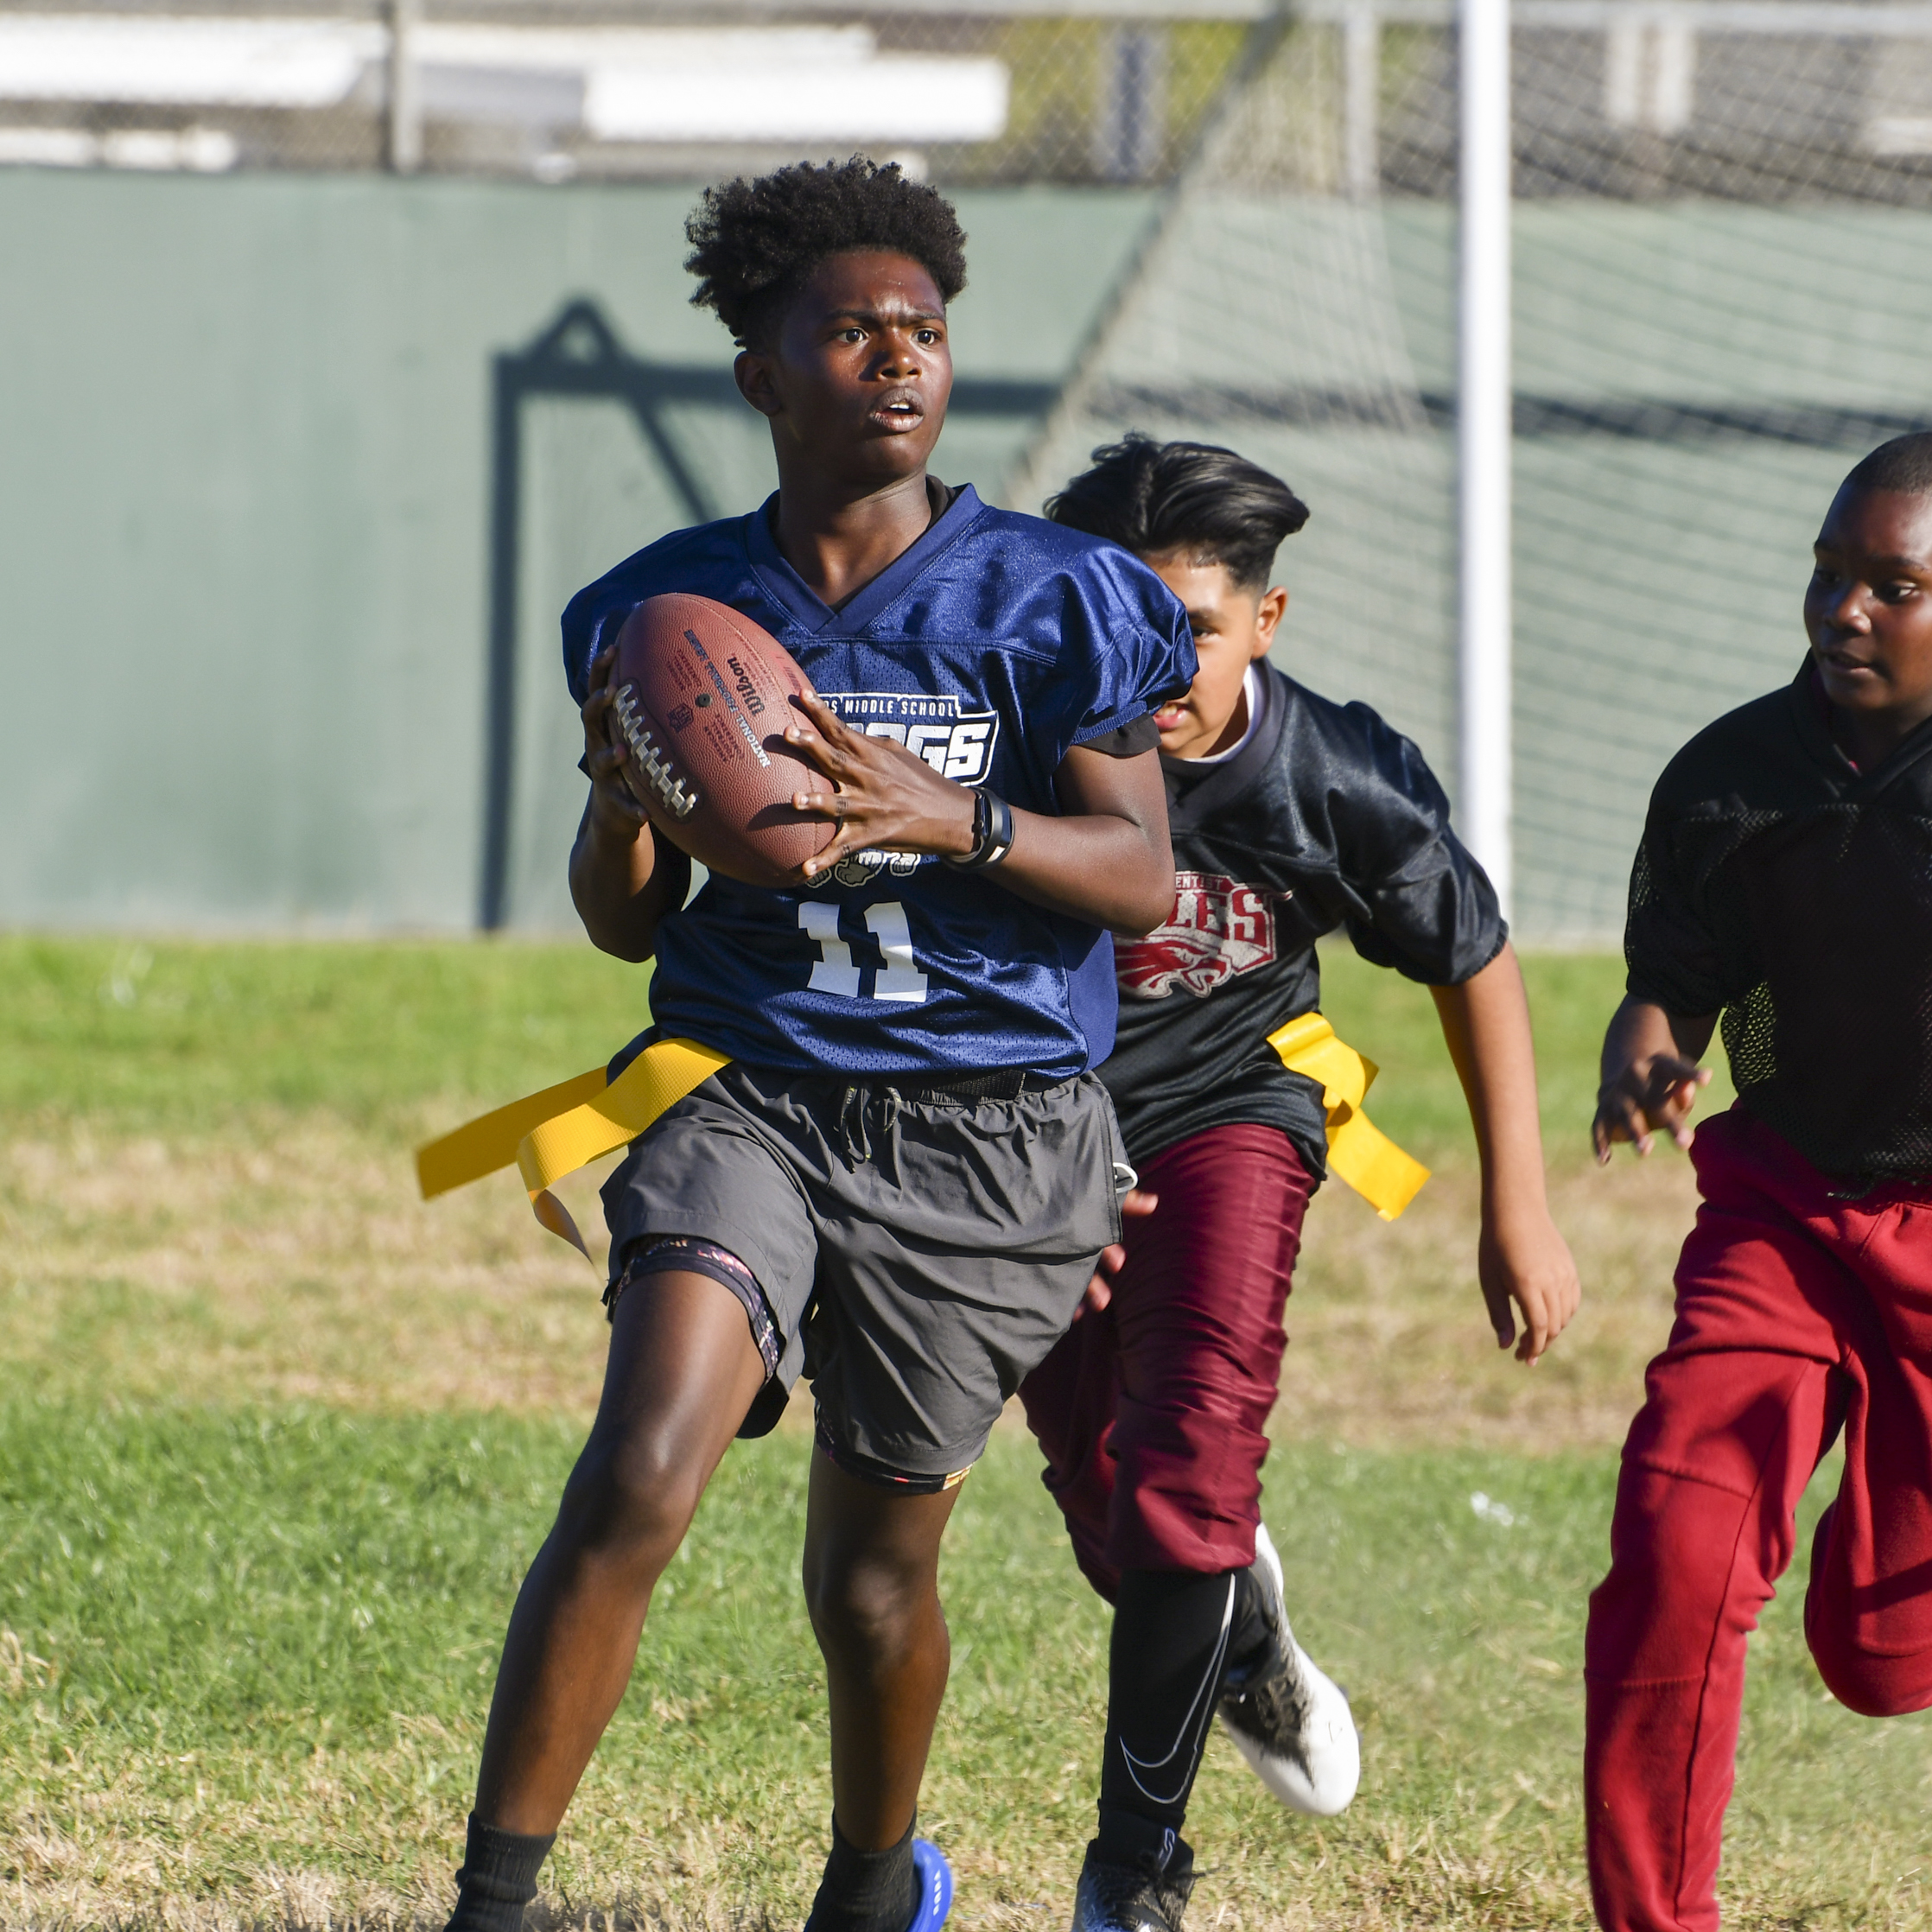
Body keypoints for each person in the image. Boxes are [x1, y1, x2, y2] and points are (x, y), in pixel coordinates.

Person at [438, 161, 1194, 1932]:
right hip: (750, 1093)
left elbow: (1140, 877)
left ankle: (869, 1878)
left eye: (920, 329)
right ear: (762, 374)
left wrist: (956, 818)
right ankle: (491, 1900)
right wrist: (623, 806)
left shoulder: (1056, 597)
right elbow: (627, 919)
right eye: (847, 330)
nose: (895, 359)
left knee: (868, 1578)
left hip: (987, 1126)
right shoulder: (661, 608)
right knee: (638, 1463)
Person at [1017, 435, 1582, 1932]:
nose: (1148, 662)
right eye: (1114, 621)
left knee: (1192, 1465)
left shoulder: (1326, 771)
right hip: (1035, 1143)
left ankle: (1134, 1872)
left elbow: (1475, 954)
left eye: (1189, 628)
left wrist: (1511, 1200)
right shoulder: (1010, 739)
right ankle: (1245, 1633)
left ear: (1265, 623)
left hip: (1234, 1110)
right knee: (1117, 1511)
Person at [1584, 433, 1932, 1932]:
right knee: (1676, 1546)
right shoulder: (1727, 776)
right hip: (1781, 1215)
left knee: (1880, 1655)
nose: (1843, 610)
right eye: (1829, 573)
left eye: (1893, 585)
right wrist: (1642, 1046)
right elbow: (1675, 980)